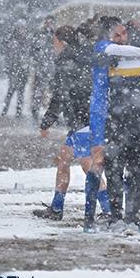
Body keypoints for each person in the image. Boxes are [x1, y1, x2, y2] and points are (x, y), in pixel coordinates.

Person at [89, 16, 140, 234]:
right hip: (119, 120)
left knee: (136, 169)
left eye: (125, 34)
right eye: (119, 34)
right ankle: (116, 216)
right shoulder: (111, 53)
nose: (122, 38)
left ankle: (131, 216)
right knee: (116, 168)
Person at [34, 24, 111, 224]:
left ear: (62, 42)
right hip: (87, 116)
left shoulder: (66, 62)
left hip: (82, 119)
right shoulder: (84, 55)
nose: (53, 47)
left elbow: (60, 95)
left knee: (88, 165)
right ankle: (57, 207)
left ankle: (108, 209)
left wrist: (46, 123)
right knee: (63, 159)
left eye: (54, 43)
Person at [0, 22, 30, 118]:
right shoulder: (12, 41)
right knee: (11, 91)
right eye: (20, 29)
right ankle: (4, 112)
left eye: (24, 29)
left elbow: (28, 55)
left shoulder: (26, 42)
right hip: (14, 69)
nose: (22, 31)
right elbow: (6, 54)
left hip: (23, 70)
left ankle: (18, 112)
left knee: (20, 92)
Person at [30, 16, 56, 121]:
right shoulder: (39, 34)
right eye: (47, 22)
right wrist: (37, 62)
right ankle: (35, 112)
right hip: (41, 67)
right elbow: (33, 49)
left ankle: (52, 114)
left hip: (52, 68)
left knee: (53, 93)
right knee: (38, 91)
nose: (49, 24)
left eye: (51, 22)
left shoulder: (55, 35)